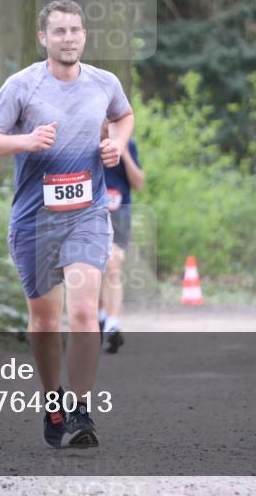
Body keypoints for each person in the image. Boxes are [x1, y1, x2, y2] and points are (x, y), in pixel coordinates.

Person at [0, 0, 134, 449]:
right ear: (44, 38)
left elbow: (123, 116)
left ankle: (83, 412)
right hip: (35, 220)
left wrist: (116, 145)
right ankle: (53, 401)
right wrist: (26, 140)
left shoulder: (104, 83)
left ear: (85, 35)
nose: (69, 38)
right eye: (60, 31)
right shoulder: (22, 86)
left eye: (76, 30)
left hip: (87, 213)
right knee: (45, 323)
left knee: (83, 311)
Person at [99, 136, 144, 354]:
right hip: (86, 212)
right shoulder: (82, 139)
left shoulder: (128, 143)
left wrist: (123, 152)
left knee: (112, 265)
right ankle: (99, 319)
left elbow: (138, 183)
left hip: (119, 212)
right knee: (91, 271)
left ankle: (112, 324)